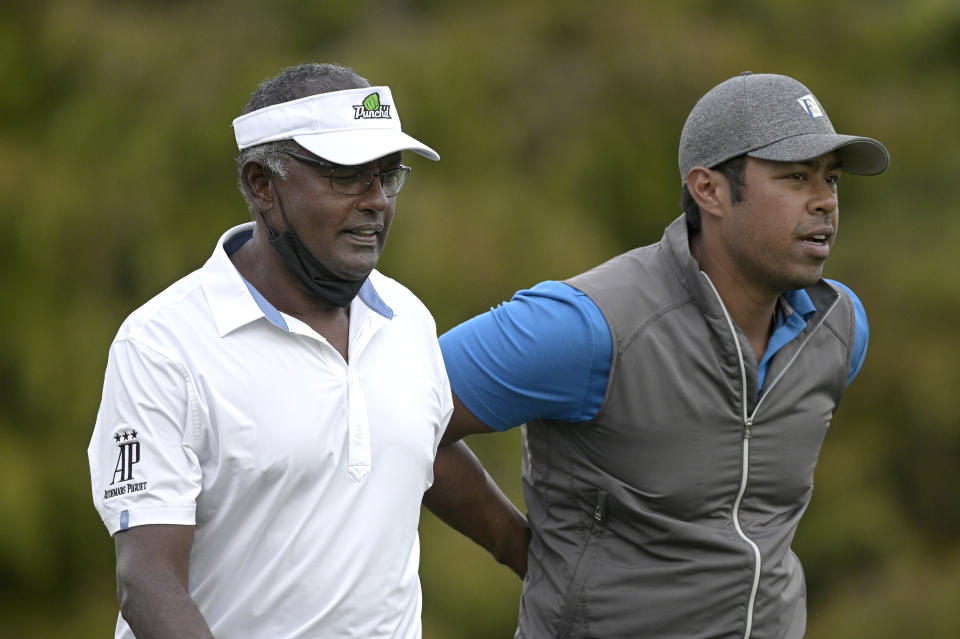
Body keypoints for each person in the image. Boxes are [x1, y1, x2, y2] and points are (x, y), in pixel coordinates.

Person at [437, 72, 889, 638]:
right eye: (796, 176)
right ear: (709, 191)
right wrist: (518, 550)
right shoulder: (586, 324)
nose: (824, 201)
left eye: (831, 178)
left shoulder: (840, 327)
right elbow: (392, 411)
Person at [88, 63, 525, 639]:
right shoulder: (164, 346)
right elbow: (146, 581)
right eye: (346, 177)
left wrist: (536, 559)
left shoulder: (406, 317)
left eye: (386, 176)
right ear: (261, 185)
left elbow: (418, 445)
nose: (377, 203)